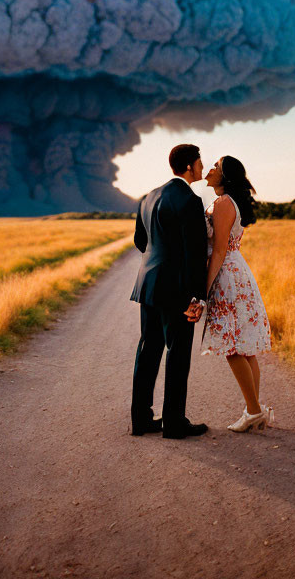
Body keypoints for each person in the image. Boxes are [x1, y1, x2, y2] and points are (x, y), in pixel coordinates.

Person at [129, 144, 209, 439]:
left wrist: (158, 261)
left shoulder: (148, 196)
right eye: (200, 162)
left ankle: (141, 420)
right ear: (189, 166)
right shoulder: (189, 199)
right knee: (177, 354)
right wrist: (197, 297)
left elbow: (141, 241)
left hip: (148, 284)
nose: (202, 166)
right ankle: (174, 423)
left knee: (148, 350)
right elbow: (195, 253)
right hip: (175, 289)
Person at [201, 156, 273, 432]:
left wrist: (204, 290)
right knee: (244, 348)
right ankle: (254, 409)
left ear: (225, 176)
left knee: (232, 347)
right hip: (237, 271)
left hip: (226, 276)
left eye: (216, 166)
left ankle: (253, 411)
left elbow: (218, 249)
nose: (210, 168)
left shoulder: (222, 204)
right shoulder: (228, 201)